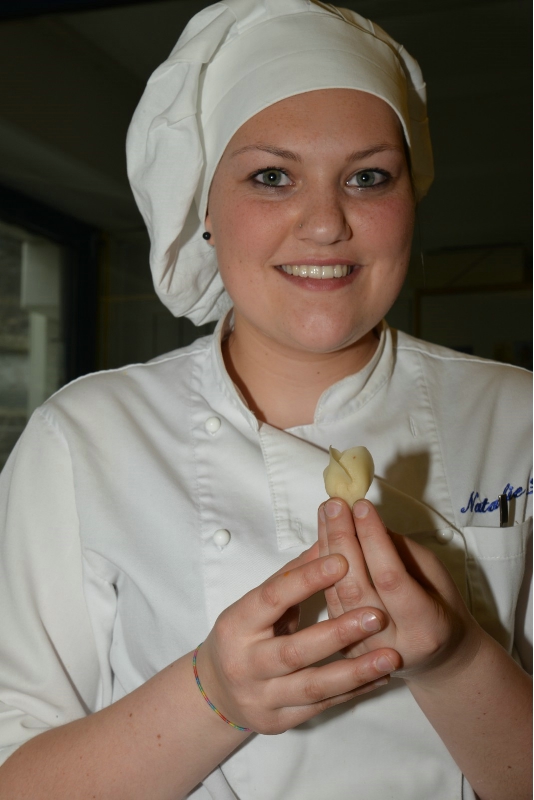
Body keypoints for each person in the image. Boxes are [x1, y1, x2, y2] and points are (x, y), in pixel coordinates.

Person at [0, 1, 531, 798]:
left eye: (367, 177)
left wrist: (454, 658)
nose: (325, 224)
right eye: (272, 177)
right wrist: (214, 696)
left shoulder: (519, 417)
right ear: (204, 209)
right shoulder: (86, 437)